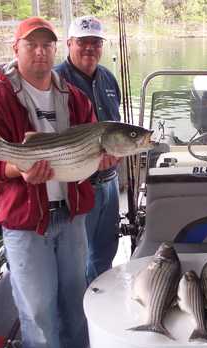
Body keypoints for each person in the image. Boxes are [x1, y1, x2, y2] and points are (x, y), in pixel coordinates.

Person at [0, 17, 112, 348]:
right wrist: (17, 168)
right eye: (32, 44)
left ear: (55, 49)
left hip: (71, 214)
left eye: (47, 45)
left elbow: (86, 150)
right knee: (38, 309)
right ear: (16, 49)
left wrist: (100, 161)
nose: (41, 52)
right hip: (25, 220)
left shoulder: (74, 97)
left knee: (76, 297)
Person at [55, 16, 122, 284]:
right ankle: (81, 310)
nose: (89, 48)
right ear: (69, 43)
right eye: (82, 42)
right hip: (78, 185)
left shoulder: (107, 77)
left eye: (95, 42)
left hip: (111, 182)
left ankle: (99, 306)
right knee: (79, 255)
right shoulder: (56, 80)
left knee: (106, 252)